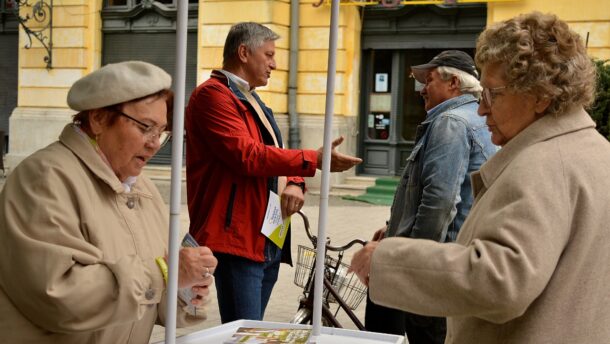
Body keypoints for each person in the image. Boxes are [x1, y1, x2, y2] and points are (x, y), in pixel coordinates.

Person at [351, 12, 610, 343]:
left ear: (540, 95)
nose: (482, 109)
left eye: (492, 94)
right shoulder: (593, 149)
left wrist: (388, 260)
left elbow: (500, 280)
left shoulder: (544, 163)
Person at [0, 61, 218, 343]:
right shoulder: (44, 178)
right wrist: (166, 273)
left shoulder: (143, 188)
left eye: (162, 132)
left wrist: (186, 291)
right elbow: (58, 295)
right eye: (145, 127)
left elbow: (150, 297)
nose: (154, 143)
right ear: (99, 119)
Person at [185, 22, 361, 324]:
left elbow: (277, 150)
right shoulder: (212, 96)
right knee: (246, 332)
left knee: (253, 328)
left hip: (268, 232)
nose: (275, 64)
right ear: (243, 52)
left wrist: (295, 183)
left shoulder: (251, 99)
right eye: (268, 55)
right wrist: (313, 160)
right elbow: (247, 156)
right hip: (237, 237)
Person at [363, 50, 497, 343]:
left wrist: (414, 260)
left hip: (437, 265)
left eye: (430, 79)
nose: (421, 88)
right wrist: (396, 226)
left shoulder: (451, 122)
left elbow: (440, 200)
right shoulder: (476, 119)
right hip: (458, 256)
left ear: (454, 84)